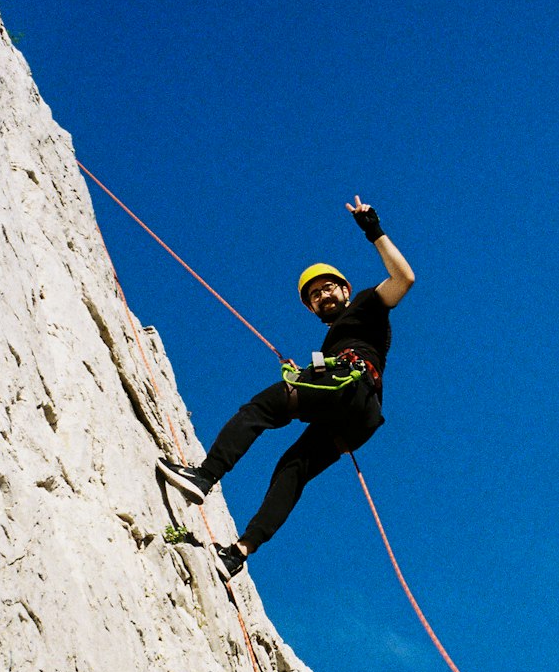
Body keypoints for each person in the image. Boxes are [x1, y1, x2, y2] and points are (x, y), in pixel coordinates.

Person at [157, 197, 414, 581]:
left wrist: (372, 230)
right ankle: (237, 554)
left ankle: (204, 476)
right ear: (312, 310)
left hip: (350, 386)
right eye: (315, 296)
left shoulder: (366, 304)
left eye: (328, 289)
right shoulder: (335, 341)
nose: (323, 296)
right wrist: (309, 373)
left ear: (344, 290)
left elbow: (404, 279)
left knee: (263, 407)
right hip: (356, 413)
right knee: (293, 467)